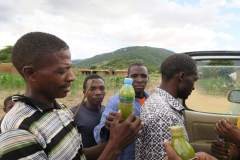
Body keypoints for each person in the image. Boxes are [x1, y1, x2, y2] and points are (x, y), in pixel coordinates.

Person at [0, 32, 142, 160]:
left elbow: (78, 154)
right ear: (31, 73)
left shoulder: (61, 109)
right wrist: (115, 147)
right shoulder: (17, 133)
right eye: (61, 71)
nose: (72, 77)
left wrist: (114, 137)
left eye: (70, 68)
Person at [136, 54, 199, 160]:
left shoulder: (156, 99)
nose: (193, 87)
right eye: (194, 80)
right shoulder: (164, 116)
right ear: (181, 77)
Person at [94, 63, 149, 160]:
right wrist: (107, 128)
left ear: (148, 78)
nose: (139, 80)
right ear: (127, 78)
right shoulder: (117, 101)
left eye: (143, 76)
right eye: (134, 76)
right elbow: (99, 133)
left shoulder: (150, 99)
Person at [71, 74, 105, 147]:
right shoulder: (73, 114)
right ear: (84, 93)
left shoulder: (106, 111)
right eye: (92, 89)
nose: (98, 92)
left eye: (102, 88)